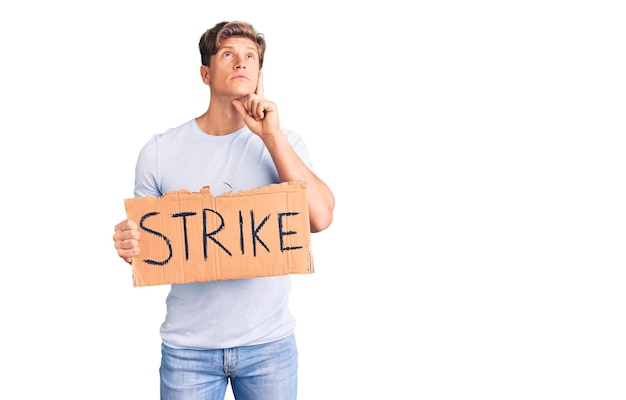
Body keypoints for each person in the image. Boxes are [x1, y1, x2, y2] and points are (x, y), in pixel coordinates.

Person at [112, 21, 335, 400]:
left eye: (250, 57)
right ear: (205, 73)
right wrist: (128, 243)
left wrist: (271, 137)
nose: (240, 63)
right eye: (227, 54)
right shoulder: (160, 151)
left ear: (259, 75)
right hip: (188, 350)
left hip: (269, 346)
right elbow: (151, 247)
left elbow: (320, 218)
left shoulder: (285, 142)